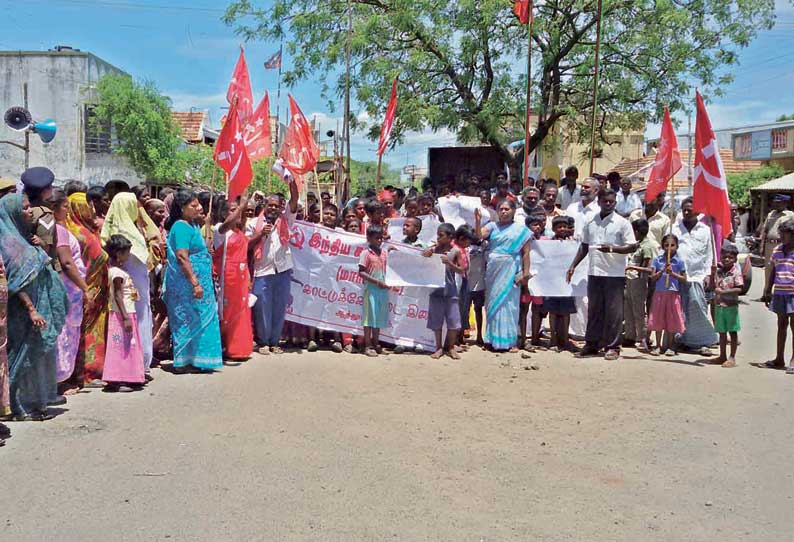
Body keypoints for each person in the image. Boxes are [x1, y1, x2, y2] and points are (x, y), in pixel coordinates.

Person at [0, 193, 67, 420]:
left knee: (36, 357)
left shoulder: (24, 237)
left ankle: (33, 402)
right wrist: (31, 309)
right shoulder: (9, 244)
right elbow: (15, 283)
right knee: (21, 359)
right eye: (26, 208)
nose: (30, 212)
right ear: (13, 212)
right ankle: (17, 407)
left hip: (35, 311)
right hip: (23, 315)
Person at [566, 188, 637, 360]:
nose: (608, 204)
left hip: (614, 274)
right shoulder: (591, 222)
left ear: (615, 202)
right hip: (594, 272)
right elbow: (584, 245)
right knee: (594, 310)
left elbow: (632, 246)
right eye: (605, 201)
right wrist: (573, 265)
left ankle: (613, 347)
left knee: (614, 312)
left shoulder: (622, 223)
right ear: (598, 202)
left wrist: (613, 249)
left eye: (611, 201)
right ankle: (592, 344)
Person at [164, 189, 223, 372]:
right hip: (187, 285)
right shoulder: (180, 227)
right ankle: (183, 360)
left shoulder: (193, 225)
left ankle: (199, 359)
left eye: (199, 204)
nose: (199, 208)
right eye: (194, 205)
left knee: (201, 319)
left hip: (200, 284)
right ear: (182, 208)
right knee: (187, 320)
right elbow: (182, 257)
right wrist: (195, 282)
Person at [101, 192, 160, 377]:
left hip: (137, 290)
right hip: (129, 295)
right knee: (135, 324)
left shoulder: (128, 230)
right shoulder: (125, 237)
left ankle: (138, 366)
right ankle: (135, 368)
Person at [247, 181, 300, 355]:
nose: (273, 208)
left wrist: (291, 178)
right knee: (262, 306)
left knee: (279, 306)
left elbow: (295, 198)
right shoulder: (254, 223)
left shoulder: (286, 221)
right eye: (270, 205)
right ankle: (263, 342)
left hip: (282, 270)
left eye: (277, 206)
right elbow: (246, 245)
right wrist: (260, 234)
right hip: (262, 271)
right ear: (265, 206)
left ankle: (275, 342)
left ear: (281, 208)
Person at [63, 192, 109, 388]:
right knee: (87, 333)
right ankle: (86, 373)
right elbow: (99, 257)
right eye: (87, 205)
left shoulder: (74, 230)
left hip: (85, 288)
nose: (91, 209)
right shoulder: (82, 234)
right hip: (90, 289)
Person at [474, 200, 532, 352]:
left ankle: (510, 341)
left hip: (512, 268)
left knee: (510, 305)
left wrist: (525, 274)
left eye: (507, 209)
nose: (504, 212)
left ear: (513, 211)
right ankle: (492, 339)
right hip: (493, 270)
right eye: (501, 209)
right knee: (493, 303)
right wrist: (478, 220)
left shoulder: (521, 230)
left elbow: (525, 253)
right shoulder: (492, 226)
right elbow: (479, 236)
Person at [50, 190, 89, 390]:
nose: (68, 210)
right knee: (64, 333)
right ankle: (58, 382)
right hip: (68, 288)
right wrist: (85, 287)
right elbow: (66, 262)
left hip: (68, 288)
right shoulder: (59, 230)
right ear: (54, 208)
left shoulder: (57, 228)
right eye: (65, 206)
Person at [673, 197, 718, 354]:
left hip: (698, 276)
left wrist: (707, 275)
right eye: (684, 209)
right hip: (677, 276)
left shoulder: (705, 230)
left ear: (697, 211)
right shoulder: (674, 229)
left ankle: (703, 342)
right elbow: (666, 251)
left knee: (698, 307)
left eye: (689, 209)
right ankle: (682, 340)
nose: (686, 212)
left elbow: (709, 254)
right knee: (679, 309)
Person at [102, 234, 146, 391]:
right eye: (127, 252)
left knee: (128, 346)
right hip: (122, 314)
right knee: (120, 347)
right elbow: (118, 295)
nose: (128, 255)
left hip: (127, 312)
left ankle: (128, 376)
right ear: (119, 254)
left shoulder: (118, 270)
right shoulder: (117, 273)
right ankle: (116, 379)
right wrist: (125, 317)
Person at [213, 196, 253, 361]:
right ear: (223, 213)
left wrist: (248, 276)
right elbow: (228, 224)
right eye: (232, 210)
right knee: (226, 312)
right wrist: (242, 205)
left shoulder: (239, 230)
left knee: (241, 311)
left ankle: (239, 348)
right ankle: (224, 345)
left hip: (242, 275)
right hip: (227, 276)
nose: (237, 213)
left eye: (238, 210)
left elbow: (243, 256)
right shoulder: (219, 230)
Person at [424, 223, 466, 359]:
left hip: (451, 289)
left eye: (441, 235)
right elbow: (422, 262)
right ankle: (438, 348)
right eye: (438, 235)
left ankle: (451, 347)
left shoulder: (456, 251)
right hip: (436, 289)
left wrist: (450, 263)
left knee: (453, 320)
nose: (438, 238)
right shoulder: (434, 250)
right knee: (437, 321)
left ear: (450, 237)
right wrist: (427, 254)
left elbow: (462, 270)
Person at [645, 234, 687, 356]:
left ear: (677, 246)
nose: (669, 248)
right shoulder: (657, 260)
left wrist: (673, 273)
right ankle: (658, 346)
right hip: (659, 293)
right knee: (658, 319)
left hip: (673, 294)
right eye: (666, 245)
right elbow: (652, 278)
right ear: (662, 246)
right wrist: (662, 271)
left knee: (672, 320)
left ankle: (670, 346)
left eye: (672, 245)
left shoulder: (679, 261)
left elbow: (684, 279)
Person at [761, 220, 794, 372]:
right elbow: (774, 270)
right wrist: (768, 290)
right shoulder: (778, 250)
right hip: (780, 292)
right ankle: (779, 358)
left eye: (784, 233)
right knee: (781, 325)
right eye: (780, 233)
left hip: (792, 294)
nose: (781, 236)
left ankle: (793, 360)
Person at [543, 216, 578, 352]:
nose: (562, 229)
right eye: (559, 227)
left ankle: (564, 340)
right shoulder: (548, 244)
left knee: (566, 312)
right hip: (552, 283)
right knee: (552, 311)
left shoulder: (573, 243)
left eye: (564, 226)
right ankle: (553, 339)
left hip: (567, 283)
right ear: (553, 229)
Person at [623, 218, 657, 351]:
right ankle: (630, 336)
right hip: (630, 279)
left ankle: (643, 337)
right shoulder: (635, 244)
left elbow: (648, 268)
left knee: (638, 310)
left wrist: (632, 268)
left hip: (639, 280)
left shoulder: (647, 246)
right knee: (628, 308)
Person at [358, 225, 390, 357]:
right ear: (368, 238)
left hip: (383, 291)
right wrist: (377, 282)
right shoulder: (365, 254)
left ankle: (376, 343)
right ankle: (367, 346)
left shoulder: (385, 253)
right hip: (371, 290)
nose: (379, 240)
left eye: (381, 238)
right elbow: (361, 272)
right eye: (376, 238)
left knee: (379, 318)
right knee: (368, 319)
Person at [712, 243, 743, 368]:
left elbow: (739, 289)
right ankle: (722, 355)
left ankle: (732, 357)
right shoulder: (719, 272)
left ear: (735, 259)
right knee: (722, 332)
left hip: (731, 307)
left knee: (732, 332)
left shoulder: (735, 273)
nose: (726, 259)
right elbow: (712, 286)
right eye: (724, 257)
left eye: (730, 257)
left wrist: (724, 292)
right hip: (719, 306)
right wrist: (712, 273)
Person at [759, 194, 794, 293]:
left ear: (784, 203)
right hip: (769, 244)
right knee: (769, 269)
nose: (776, 204)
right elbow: (765, 230)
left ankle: (782, 291)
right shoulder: (771, 214)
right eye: (775, 202)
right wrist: (762, 245)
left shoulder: (790, 215)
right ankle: (766, 291)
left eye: (778, 203)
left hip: (783, 244)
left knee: (783, 268)